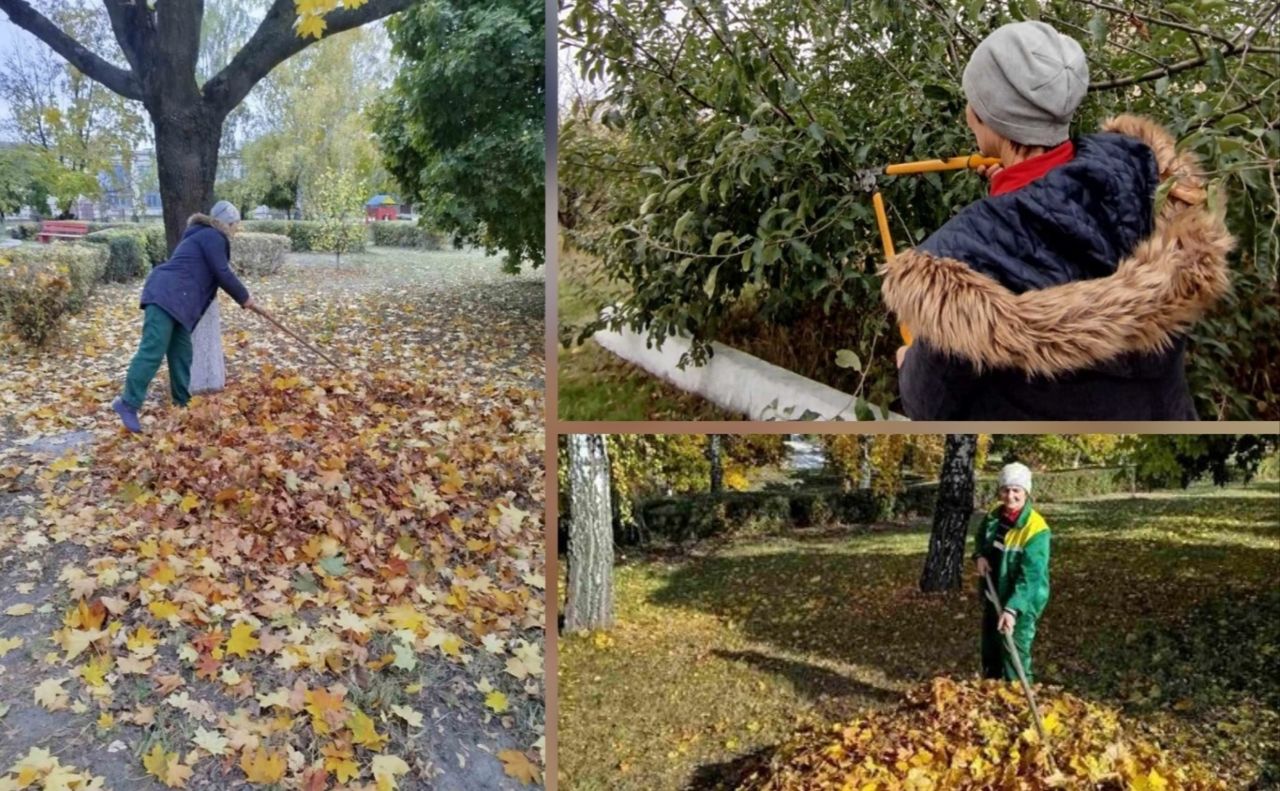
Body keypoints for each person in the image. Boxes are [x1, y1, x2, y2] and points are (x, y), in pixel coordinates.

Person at [882, 21, 1233, 420]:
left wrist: (910, 361)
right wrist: (1022, 195)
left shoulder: (957, 264)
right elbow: (1078, 227)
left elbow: (930, 407)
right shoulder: (1144, 173)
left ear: (982, 116)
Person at [111, 201, 254, 433]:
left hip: (177, 303)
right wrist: (245, 298)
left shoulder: (200, 235)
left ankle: (182, 405)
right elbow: (222, 273)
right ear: (229, 223)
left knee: (181, 354)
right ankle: (127, 403)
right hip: (165, 297)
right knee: (153, 350)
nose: (235, 230)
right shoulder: (214, 236)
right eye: (235, 225)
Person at [973, 463, 1050, 683]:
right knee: (991, 648)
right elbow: (981, 539)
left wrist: (1012, 609)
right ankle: (992, 693)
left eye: (1016, 490)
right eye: (1006, 489)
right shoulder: (994, 517)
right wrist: (979, 556)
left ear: (1026, 492)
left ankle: (1017, 699)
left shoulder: (1036, 529)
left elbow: (1032, 576)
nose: (1010, 495)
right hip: (994, 592)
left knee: (1014, 650)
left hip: (1023, 601)